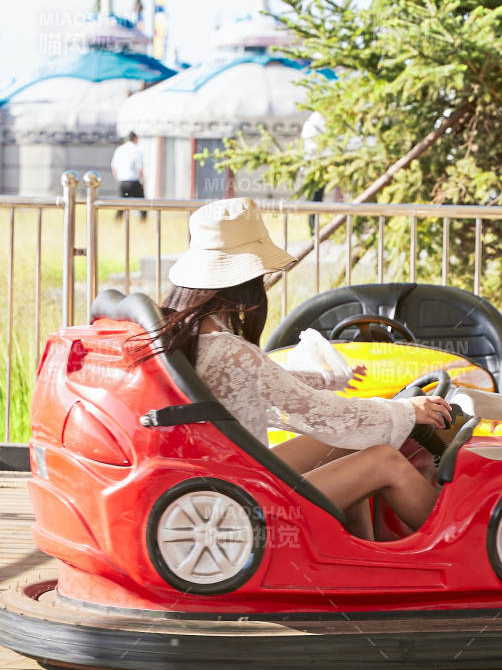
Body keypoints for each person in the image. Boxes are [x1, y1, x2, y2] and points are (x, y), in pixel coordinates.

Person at [148, 197, 451, 540]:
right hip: (242, 493)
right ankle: (457, 543)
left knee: (355, 439)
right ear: (245, 279)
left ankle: (357, 555)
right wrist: (406, 409)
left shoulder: (183, 333)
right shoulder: (228, 349)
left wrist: (325, 379)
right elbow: (321, 412)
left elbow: (255, 386)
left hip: (220, 473)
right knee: (385, 460)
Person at [111, 132, 147, 219]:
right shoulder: (136, 150)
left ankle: (118, 220)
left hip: (123, 182)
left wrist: (118, 178)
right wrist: (142, 180)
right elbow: (139, 168)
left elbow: (113, 167)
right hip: (134, 181)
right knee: (142, 204)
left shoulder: (119, 149)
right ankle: (143, 221)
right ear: (135, 138)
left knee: (121, 205)